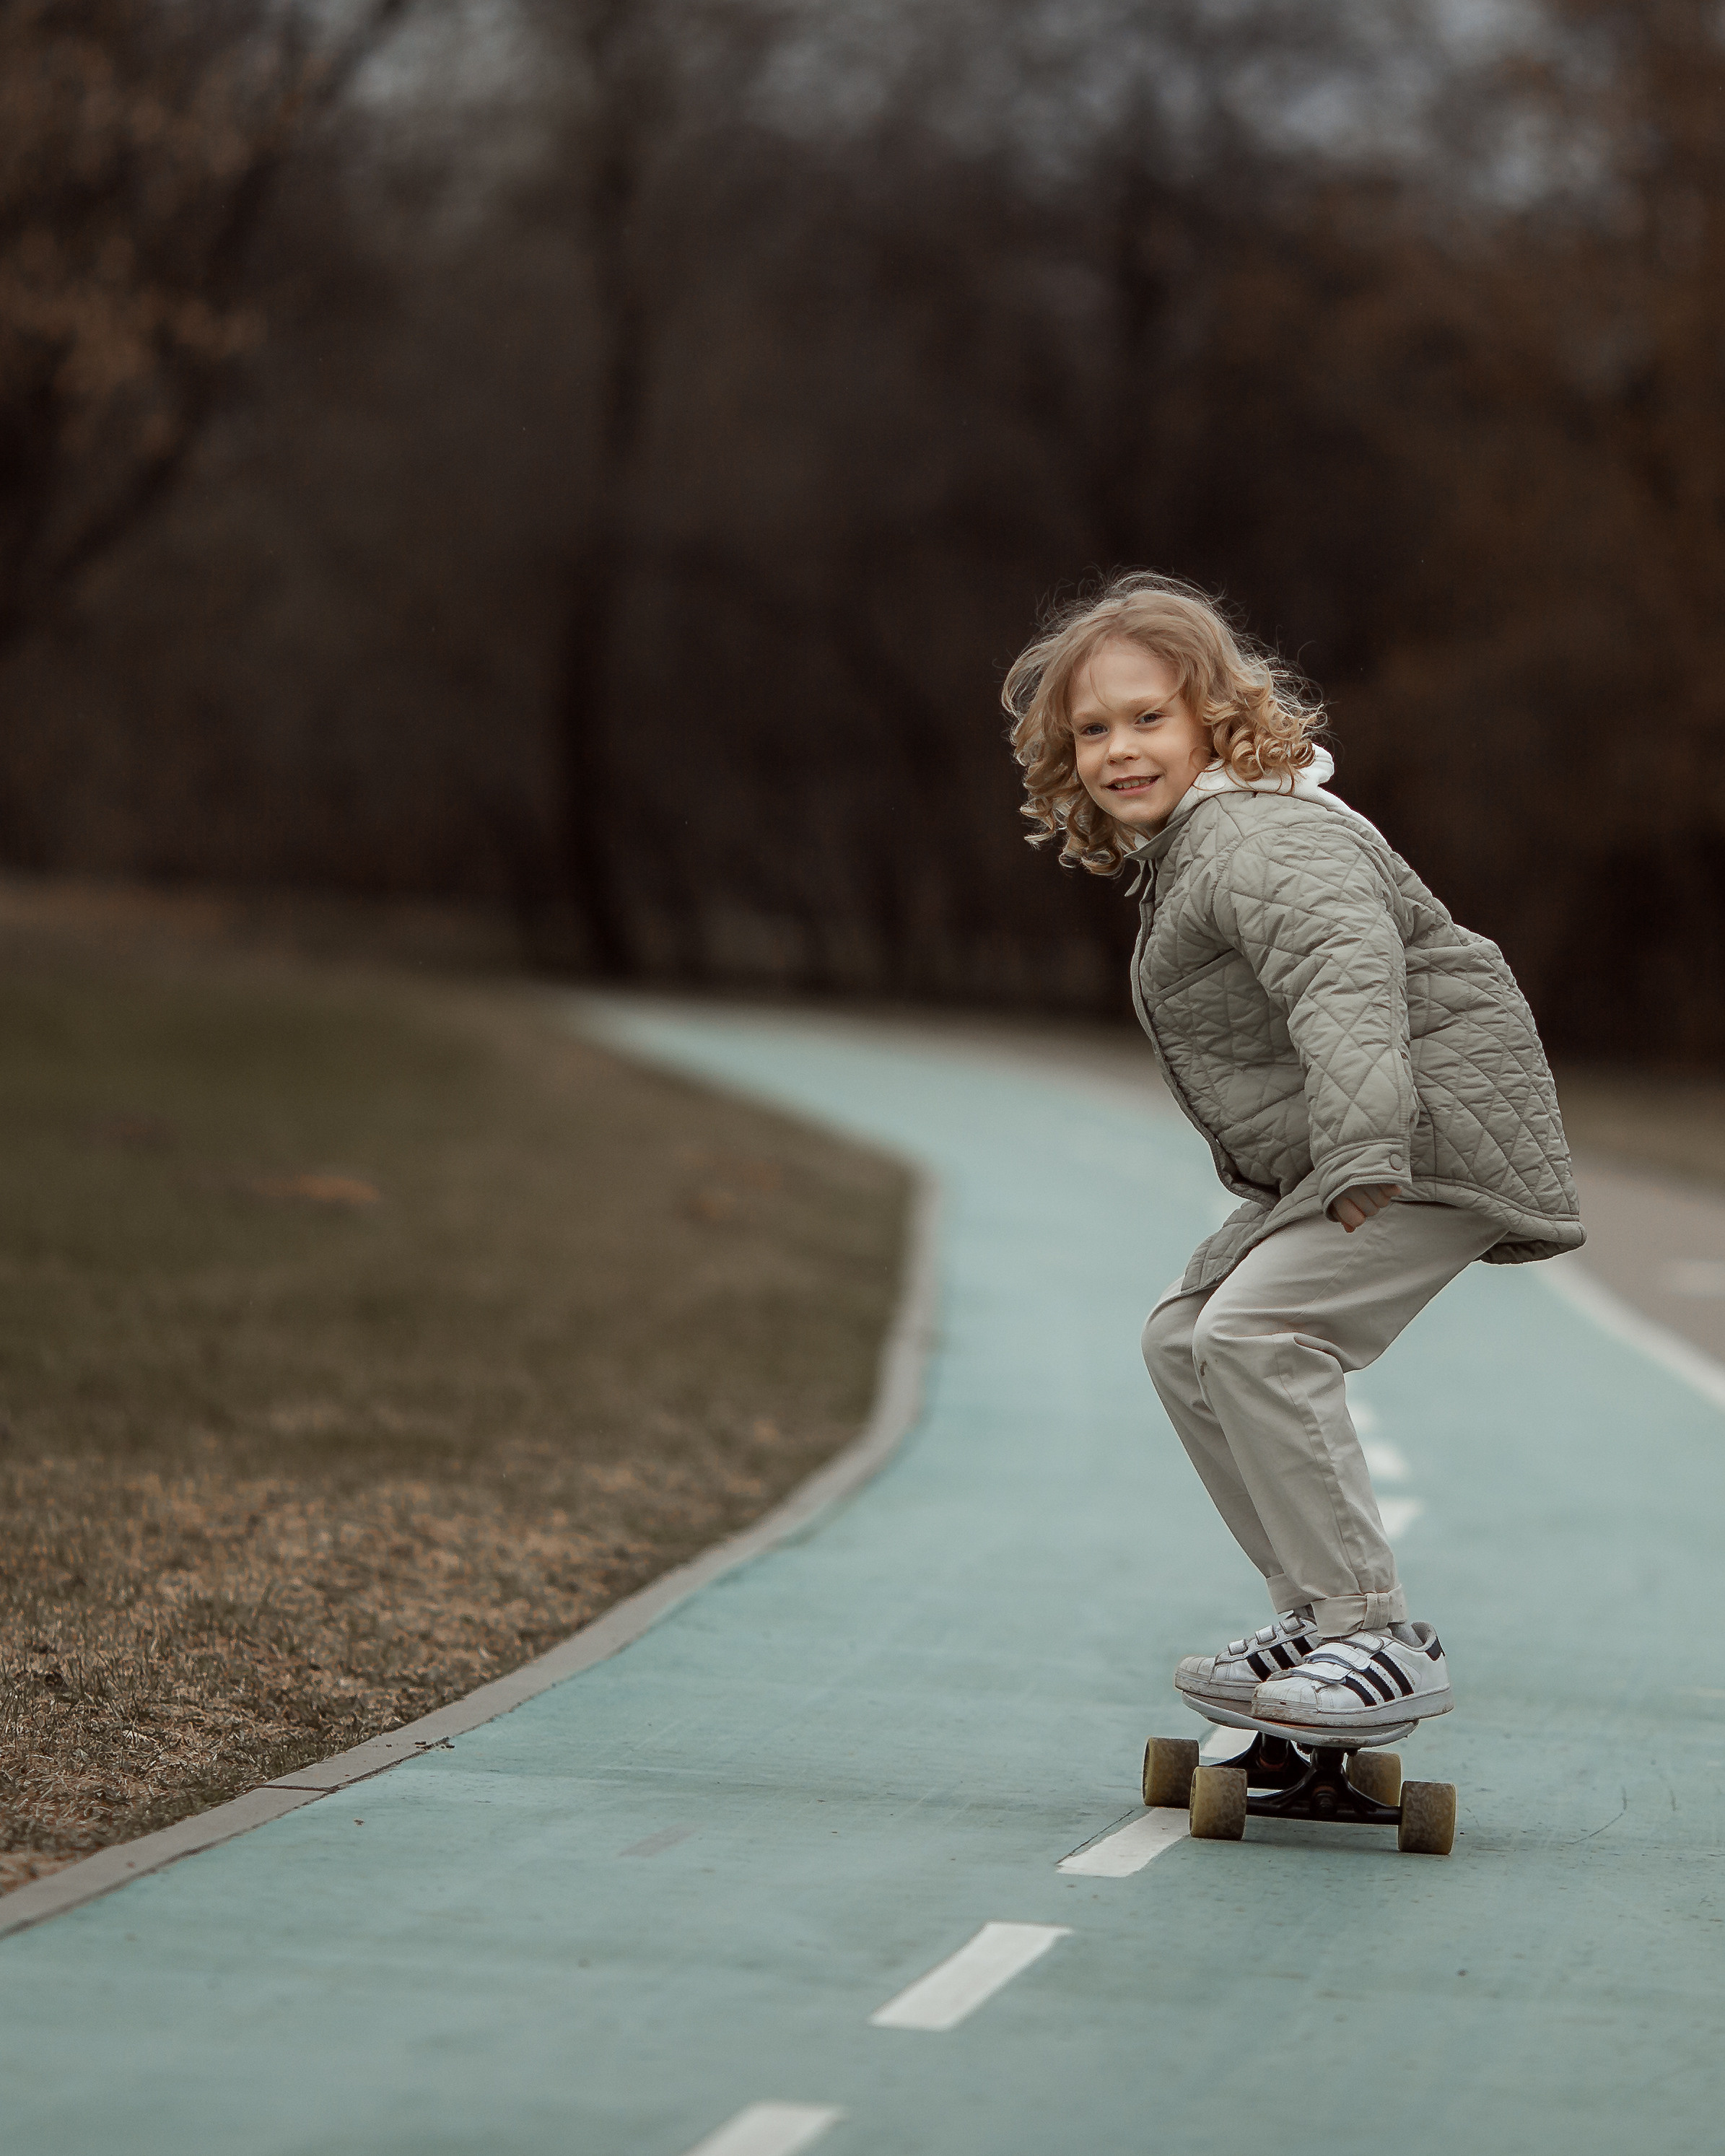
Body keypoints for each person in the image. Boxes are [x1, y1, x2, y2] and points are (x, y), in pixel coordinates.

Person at [1003, 573, 1583, 1734]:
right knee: (1183, 1339)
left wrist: (1364, 1143)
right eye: (1093, 729)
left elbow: (1343, 978)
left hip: (1421, 1132)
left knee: (1258, 1331)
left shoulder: (1256, 835)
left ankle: (1370, 1630)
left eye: (1148, 717)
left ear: (1215, 719)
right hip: (1371, 1137)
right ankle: (1320, 1618)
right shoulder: (1198, 845)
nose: (1120, 748)